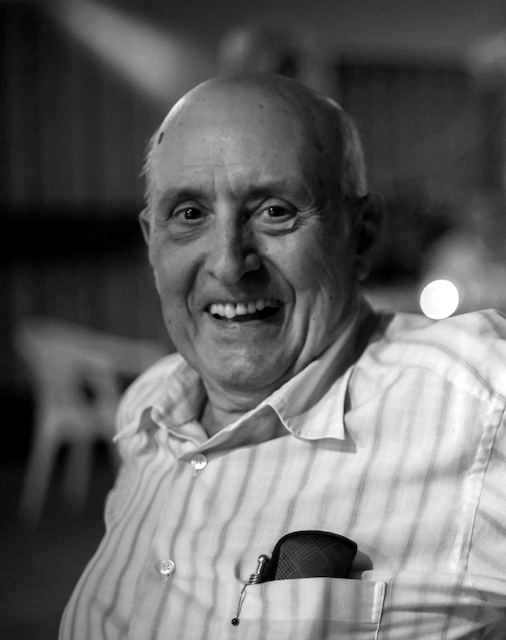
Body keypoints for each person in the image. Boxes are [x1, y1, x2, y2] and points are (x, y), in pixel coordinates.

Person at [60, 73, 506, 639]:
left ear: (362, 234)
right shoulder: (150, 407)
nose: (229, 263)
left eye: (274, 210)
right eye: (190, 214)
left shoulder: (473, 405)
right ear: (153, 240)